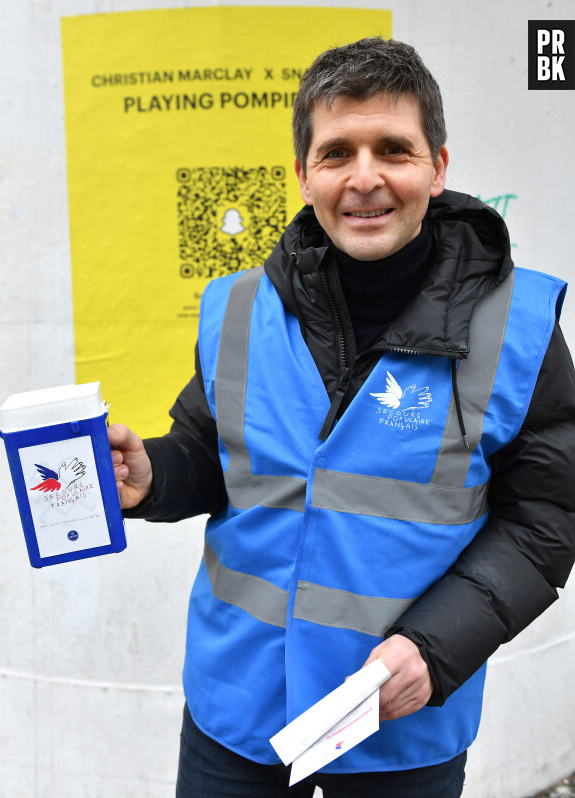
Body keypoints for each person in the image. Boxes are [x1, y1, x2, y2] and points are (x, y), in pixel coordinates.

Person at [108, 37, 575, 798]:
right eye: (336, 153)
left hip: (401, 725)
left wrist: (435, 649)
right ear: (303, 175)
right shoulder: (236, 308)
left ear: (438, 167)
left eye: (393, 148)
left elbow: (547, 518)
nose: (365, 178)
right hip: (236, 716)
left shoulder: (517, 326)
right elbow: (210, 447)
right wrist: (154, 472)